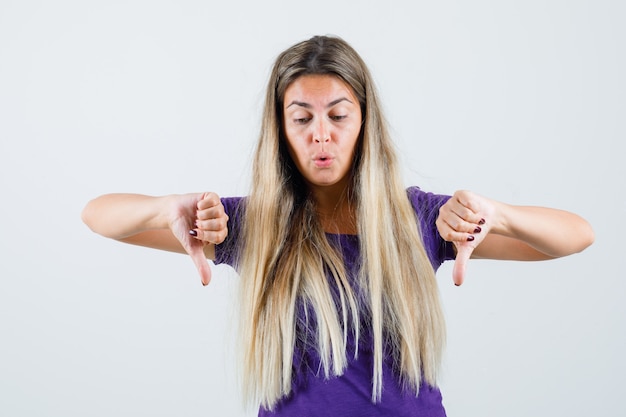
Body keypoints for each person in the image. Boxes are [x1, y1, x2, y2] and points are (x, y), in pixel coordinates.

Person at [81, 35, 594, 416]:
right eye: (302, 118)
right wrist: (163, 208)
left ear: (365, 122)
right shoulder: (250, 225)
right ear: (281, 130)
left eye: (338, 116)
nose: (320, 135)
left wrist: (498, 215)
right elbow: (98, 216)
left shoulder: (419, 220)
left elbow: (575, 236)